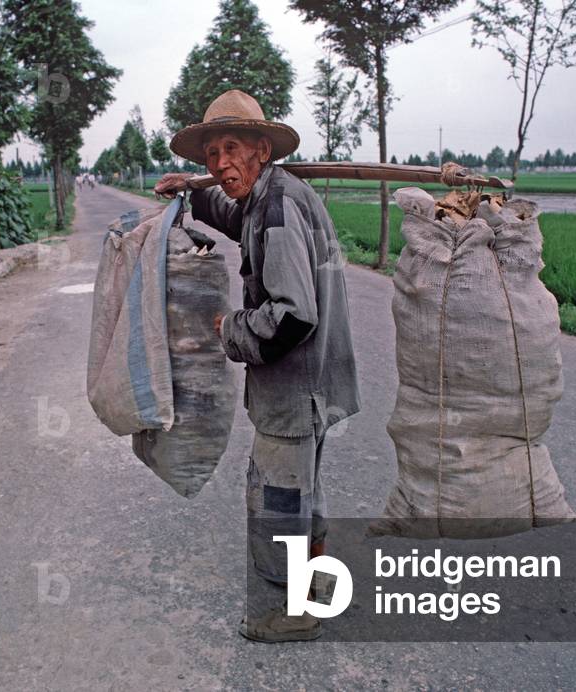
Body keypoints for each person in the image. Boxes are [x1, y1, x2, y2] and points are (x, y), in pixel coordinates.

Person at [155, 89, 360, 643]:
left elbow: (294, 316)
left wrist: (231, 330)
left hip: (295, 388)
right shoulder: (269, 195)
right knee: (304, 491)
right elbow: (231, 211)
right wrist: (191, 196)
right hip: (316, 384)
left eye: (232, 148)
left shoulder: (278, 206)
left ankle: (282, 613)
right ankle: (316, 585)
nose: (220, 164)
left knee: (277, 499)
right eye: (210, 155)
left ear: (262, 149)